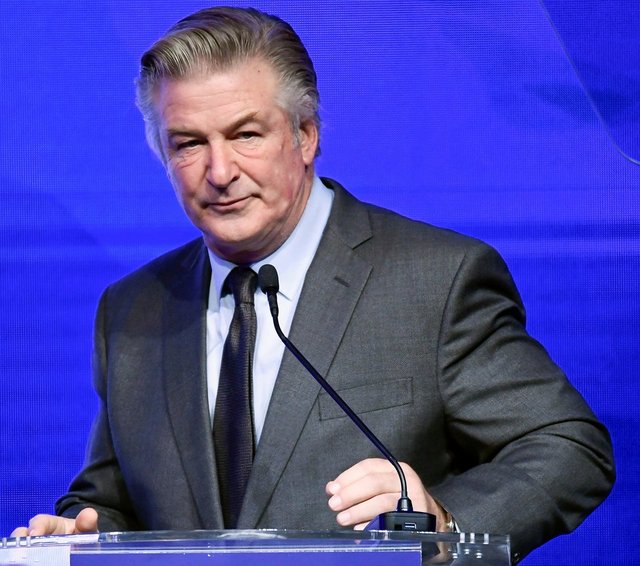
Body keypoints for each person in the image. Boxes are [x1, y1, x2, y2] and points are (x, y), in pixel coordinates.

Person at [11, 6, 614, 562]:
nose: (220, 172)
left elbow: (568, 446)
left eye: (246, 134)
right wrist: (82, 534)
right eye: (189, 143)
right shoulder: (131, 309)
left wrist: (444, 524)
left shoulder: (436, 280)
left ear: (306, 134)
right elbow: (112, 499)